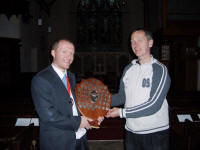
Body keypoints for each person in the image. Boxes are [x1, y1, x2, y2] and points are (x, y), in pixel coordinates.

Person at [31, 39, 103, 150]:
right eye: (64, 51)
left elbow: (74, 104)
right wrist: (79, 122)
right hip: (59, 141)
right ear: (53, 53)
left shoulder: (71, 76)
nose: (69, 57)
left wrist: (93, 115)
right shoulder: (41, 79)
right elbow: (48, 116)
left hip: (80, 137)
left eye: (72, 53)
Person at [106, 29, 171, 150]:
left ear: (150, 43)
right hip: (131, 131)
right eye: (132, 42)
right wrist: (99, 100)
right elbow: (121, 97)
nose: (135, 45)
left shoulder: (159, 70)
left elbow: (153, 105)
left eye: (139, 41)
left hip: (154, 133)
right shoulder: (129, 68)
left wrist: (121, 113)